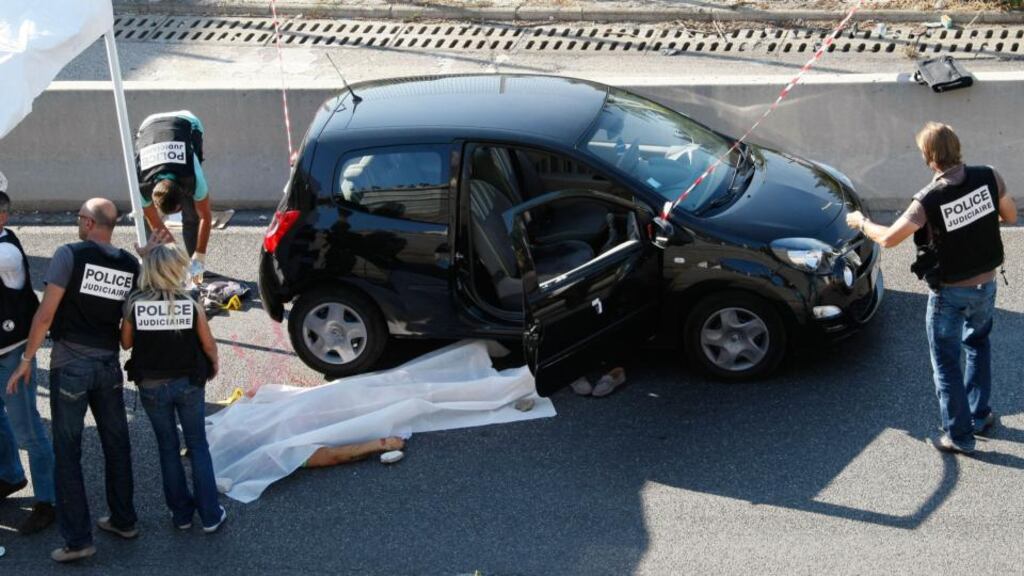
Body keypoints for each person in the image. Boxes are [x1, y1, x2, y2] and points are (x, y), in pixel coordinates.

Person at [845, 122, 1017, 455]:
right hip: (987, 283)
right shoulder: (989, 176)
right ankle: (981, 416)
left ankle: (959, 436)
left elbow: (889, 238)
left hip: (950, 293)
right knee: (978, 345)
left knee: (946, 362)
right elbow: (1008, 215)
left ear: (929, 157)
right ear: (958, 147)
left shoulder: (928, 198)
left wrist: (860, 222)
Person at [6, 199, 154, 563]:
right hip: (108, 366)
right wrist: (143, 259)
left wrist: (27, 360)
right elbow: (127, 325)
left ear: (88, 223)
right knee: (117, 445)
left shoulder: (69, 255)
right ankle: (124, 520)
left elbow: (45, 314)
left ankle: (78, 540)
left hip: (70, 364)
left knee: (68, 453)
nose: (77, 223)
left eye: (79, 218)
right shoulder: (128, 263)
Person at [120, 243, 227, 534]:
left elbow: (126, 343)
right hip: (189, 383)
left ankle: (180, 515)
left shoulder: (135, 302)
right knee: (197, 446)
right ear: (176, 269)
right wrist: (214, 365)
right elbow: (207, 343)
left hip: (151, 386)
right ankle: (209, 515)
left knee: (167, 448)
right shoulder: (190, 302)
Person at [0, 180, 57, 535]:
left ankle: (47, 502)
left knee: (29, 430)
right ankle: (10, 475)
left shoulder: (6, 253)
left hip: (12, 354)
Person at [134, 110, 212, 283]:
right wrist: (176, 256)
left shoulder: (193, 175)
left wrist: (199, 255)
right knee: (149, 225)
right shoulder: (141, 184)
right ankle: (161, 267)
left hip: (187, 121)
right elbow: (156, 222)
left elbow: (205, 217)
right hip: (148, 126)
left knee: (192, 215)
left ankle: (195, 270)